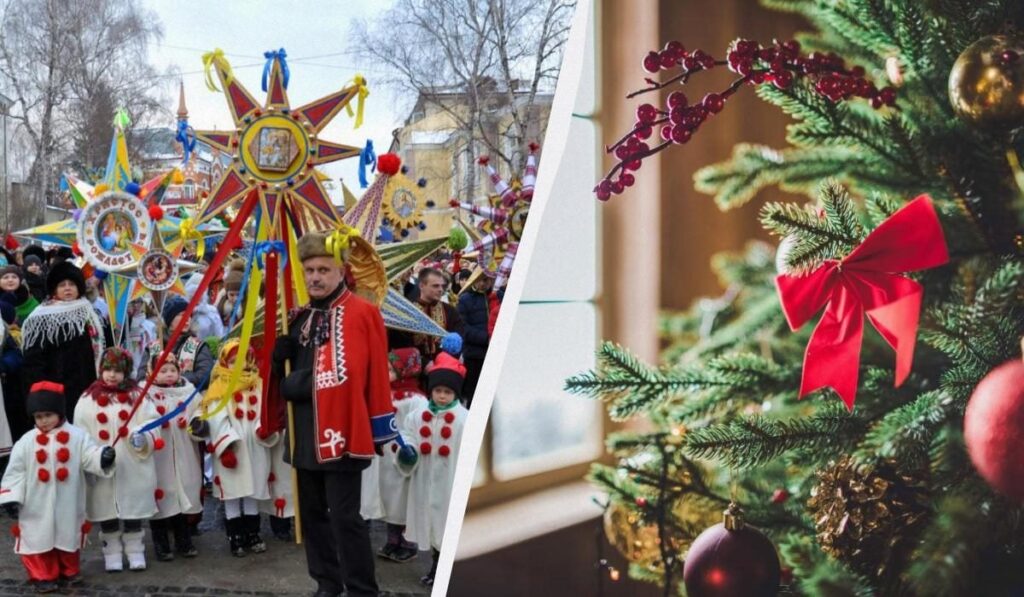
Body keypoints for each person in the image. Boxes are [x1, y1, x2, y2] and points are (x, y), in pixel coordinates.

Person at [273, 229, 398, 597]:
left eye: (323, 270)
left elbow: (354, 374)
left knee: (346, 519)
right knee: (312, 518)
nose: (315, 277)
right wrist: (277, 357)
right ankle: (327, 584)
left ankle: (361, 589)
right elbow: (278, 379)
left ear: (341, 270)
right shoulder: (297, 317)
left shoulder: (361, 313)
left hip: (344, 432)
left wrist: (297, 383)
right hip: (303, 433)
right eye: (309, 270)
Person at [0, 381, 116, 593]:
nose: (43, 421)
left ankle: (69, 571)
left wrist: (103, 457)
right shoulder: (26, 442)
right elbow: (16, 471)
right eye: (38, 417)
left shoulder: (77, 436)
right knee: (37, 538)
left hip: (67, 501)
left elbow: (89, 455)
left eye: (47, 415)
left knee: (67, 535)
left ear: (59, 413)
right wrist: (11, 497)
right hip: (35, 504)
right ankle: (42, 575)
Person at [73, 347, 160, 572]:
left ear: (127, 372)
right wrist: (96, 457)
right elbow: (80, 437)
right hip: (102, 470)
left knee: (132, 512)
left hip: (133, 466)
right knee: (106, 512)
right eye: (108, 369)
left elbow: (152, 423)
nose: (112, 375)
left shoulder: (139, 397)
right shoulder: (86, 400)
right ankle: (111, 553)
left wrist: (142, 438)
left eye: (118, 371)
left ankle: (135, 551)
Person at [191, 339, 271, 557]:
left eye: (242, 360)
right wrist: (226, 445)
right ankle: (235, 537)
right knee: (233, 494)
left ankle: (253, 533)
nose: (238, 365)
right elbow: (216, 417)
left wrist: (263, 428)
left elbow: (264, 410)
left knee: (252, 491)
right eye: (233, 361)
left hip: (254, 448)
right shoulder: (220, 386)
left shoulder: (259, 383)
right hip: (231, 449)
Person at [403, 352, 468, 586]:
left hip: (448, 483)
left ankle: (444, 568)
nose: (442, 396)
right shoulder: (417, 416)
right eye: (438, 391)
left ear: (455, 394)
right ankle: (435, 564)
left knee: (446, 524)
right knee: (431, 524)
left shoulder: (463, 420)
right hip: (425, 480)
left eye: (448, 392)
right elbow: (407, 435)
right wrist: (407, 451)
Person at [363, 347, 427, 563]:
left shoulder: (416, 400)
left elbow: (420, 429)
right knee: (390, 498)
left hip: (403, 458)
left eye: (391, 369)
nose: (386, 373)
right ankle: (392, 540)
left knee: (403, 499)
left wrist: (411, 451)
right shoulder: (383, 394)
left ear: (405, 371)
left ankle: (408, 542)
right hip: (384, 459)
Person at [21, 262, 104, 422]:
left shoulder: (90, 312)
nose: (67, 288)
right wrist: (43, 393)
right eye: (62, 285)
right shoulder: (41, 317)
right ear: (54, 289)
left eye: (72, 284)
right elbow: (33, 362)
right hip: (57, 388)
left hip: (89, 385)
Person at [146, 350, 201, 561]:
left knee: (182, 496)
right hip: (160, 456)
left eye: (172, 370)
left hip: (183, 454)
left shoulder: (189, 392)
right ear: (153, 372)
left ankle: (184, 541)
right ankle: (161, 543)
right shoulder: (146, 394)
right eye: (163, 370)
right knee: (161, 496)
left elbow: (199, 411)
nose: (168, 374)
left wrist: (197, 421)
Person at [455, 272, 494, 406]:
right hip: (474, 354)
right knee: (473, 394)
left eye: (487, 280)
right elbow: (463, 327)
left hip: (492, 353)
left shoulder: (495, 298)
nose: (483, 283)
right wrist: (486, 338)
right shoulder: (465, 299)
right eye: (480, 280)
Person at [412, 268, 464, 366]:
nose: (441, 289)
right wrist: (424, 364)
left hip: (444, 369)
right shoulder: (410, 311)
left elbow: (459, 338)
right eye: (435, 286)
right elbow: (402, 345)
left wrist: (446, 362)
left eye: (442, 286)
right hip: (416, 372)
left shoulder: (450, 311)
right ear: (422, 286)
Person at [162, 297, 215, 391]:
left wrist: (177, 379)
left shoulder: (199, 346)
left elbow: (205, 376)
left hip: (187, 400)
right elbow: (142, 376)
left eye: (189, 315)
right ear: (169, 320)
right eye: (181, 315)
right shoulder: (154, 346)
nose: (187, 319)